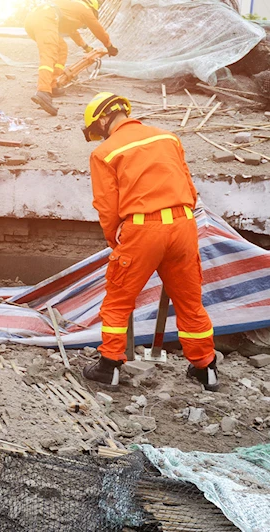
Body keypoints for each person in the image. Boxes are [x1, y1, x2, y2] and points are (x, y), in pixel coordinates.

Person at [80, 92, 218, 391]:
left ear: (103, 119)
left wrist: (116, 240)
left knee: (118, 301)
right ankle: (206, 368)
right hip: (183, 224)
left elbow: (107, 205)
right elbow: (189, 187)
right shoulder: (168, 138)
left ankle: (109, 367)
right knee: (190, 303)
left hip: (142, 229)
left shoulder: (104, 152)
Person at [24, 0, 117, 116]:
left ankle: (52, 85)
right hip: (45, 18)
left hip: (35, 19)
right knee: (49, 52)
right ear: (92, 8)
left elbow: (72, 32)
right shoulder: (85, 9)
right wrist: (109, 46)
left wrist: (86, 47)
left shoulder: (71, 9)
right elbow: (97, 29)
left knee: (62, 47)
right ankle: (43, 90)